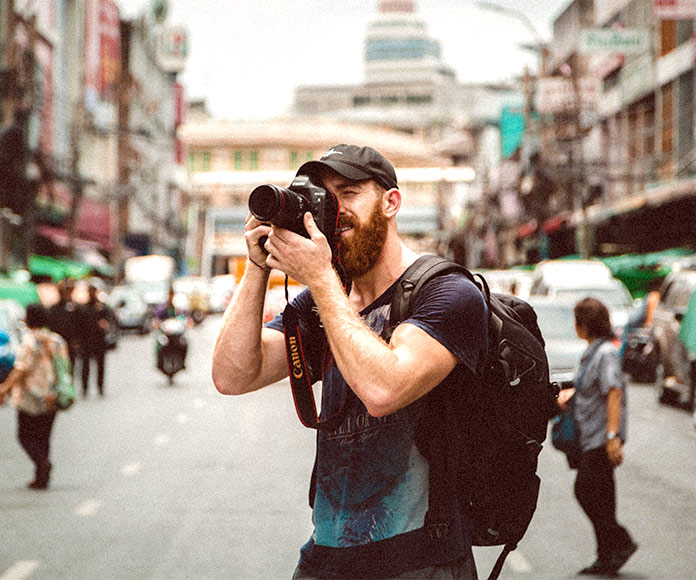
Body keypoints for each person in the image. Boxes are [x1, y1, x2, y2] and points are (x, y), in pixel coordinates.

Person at [212, 144, 488, 579]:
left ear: (391, 202)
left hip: (420, 561)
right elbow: (233, 374)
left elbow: (385, 390)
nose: (334, 209)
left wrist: (322, 278)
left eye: (349, 191)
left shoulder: (448, 293)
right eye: (323, 196)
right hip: (326, 557)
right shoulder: (328, 298)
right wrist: (258, 268)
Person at [557, 297, 638, 576]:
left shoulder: (605, 353)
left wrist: (612, 436)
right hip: (589, 436)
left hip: (600, 438)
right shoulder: (592, 352)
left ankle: (620, 541)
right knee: (600, 496)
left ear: (585, 324)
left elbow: (613, 391)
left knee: (586, 490)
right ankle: (607, 555)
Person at [0, 303, 69, 490]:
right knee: (44, 437)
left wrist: (4, 388)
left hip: (31, 396)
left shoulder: (30, 341)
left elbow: (21, 369)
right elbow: (65, 366)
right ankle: (41, 475)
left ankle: (42, 463)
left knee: (24, 435)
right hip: (52, 395)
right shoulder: (56, 340)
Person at [76, 282, 113, 397]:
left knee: (100, 365)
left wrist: (105, 325)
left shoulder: (102, 308)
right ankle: (85, 388)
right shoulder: (83, 308)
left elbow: (109, 320)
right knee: (85, 365)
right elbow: (78, 325)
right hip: (86, 340)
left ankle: (100, 386)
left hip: (99, 340)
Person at [47, 279, 79, 370]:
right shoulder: (54, 308)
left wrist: (76, 340)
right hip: (57, 341)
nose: (65, 294)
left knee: (71, 366)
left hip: (70, 342)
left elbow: (78, 325)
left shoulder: (75, 307)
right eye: (62, 291)